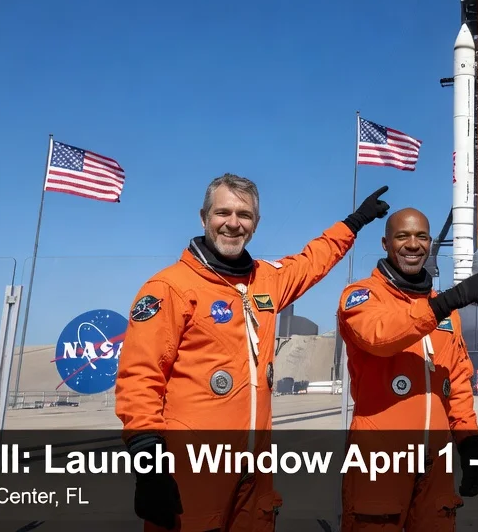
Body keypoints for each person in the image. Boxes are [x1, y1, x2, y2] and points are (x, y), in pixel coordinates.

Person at [115, 174, 391, 532]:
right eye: (223, 212)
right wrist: (148, 463)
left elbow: (312, 260)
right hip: (193, 468)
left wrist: (354, 223)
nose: (233, 223)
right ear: (203, 218)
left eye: (244, 215)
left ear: (256, 225)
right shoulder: (170, 288)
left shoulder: (266, 280)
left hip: (255, 471)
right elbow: (140, 377)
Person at [336, 206, 478, 531]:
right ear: (385, 243)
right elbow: (380, 336)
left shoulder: (447, 315)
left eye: (421, 236)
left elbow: (458, 385)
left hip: (436, 464)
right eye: (402, 236)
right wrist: (443, 304)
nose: (413, 244)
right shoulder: (362, 296)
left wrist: (471, 450)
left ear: (431, 242)